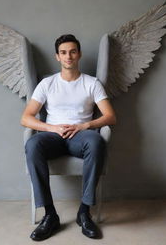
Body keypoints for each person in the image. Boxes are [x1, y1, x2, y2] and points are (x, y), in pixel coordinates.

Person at [20, 34, 116, 241]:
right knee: (33, 144)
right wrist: (51, 128)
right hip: (53, 137)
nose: (68, 56)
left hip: (80, 136)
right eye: (63, 52)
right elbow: (26, 118)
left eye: (72, 51)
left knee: (96, 140)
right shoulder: (47, 83)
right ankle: (50, 215)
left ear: (78, 54)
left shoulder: (91, 83)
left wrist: (86, 125)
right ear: (57, 57)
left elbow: (111, 116)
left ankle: (84, 212)